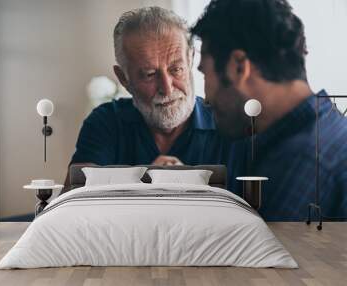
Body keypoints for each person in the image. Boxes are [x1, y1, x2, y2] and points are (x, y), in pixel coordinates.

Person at [191, 0, 347, 220]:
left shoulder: (298, 163)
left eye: (205, 73)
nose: (206, 99)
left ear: (238, 67)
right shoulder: (331, 128)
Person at [65, 7, 228, 182]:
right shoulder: (105, 122)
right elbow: (73, 202)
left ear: (191, 59)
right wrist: (141, 181)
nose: (167, 88)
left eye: (176, 69)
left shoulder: (229, 124)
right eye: (149, 74)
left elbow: (249, 205)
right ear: (124, 78)